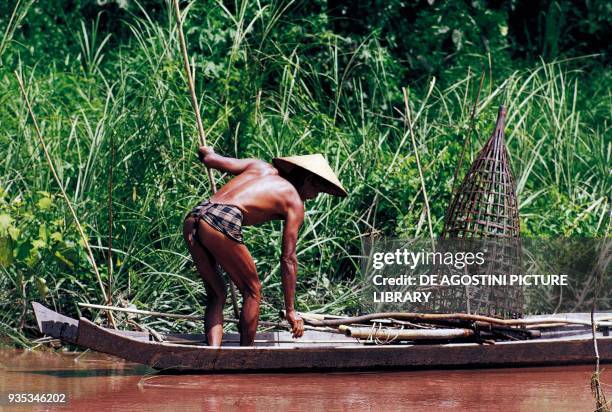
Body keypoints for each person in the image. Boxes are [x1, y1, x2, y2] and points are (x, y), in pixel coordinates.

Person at [183, 146, 347, 347]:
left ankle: (213, 354)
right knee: (253, 290)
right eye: (317, 190)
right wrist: (291, 310)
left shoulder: (258, 166)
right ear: (308, 180)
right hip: (221, 220)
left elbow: (210, 158)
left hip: (195, 216)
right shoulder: (294, 201)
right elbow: (288, 258)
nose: (313, 197)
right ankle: (246, 356)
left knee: (217, 293)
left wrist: (206, 151)